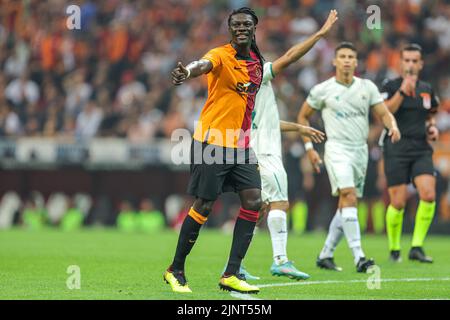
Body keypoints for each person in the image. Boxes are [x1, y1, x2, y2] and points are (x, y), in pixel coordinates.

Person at [164, 7, 265, 295]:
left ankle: (231, 273)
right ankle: (175, 269)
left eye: (246, 24)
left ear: (254, 27)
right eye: (236, 25)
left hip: (241, 144)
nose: (241, 28)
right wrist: (187, 72)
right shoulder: (220, 54)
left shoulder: (257, 62)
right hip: (213, 141)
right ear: (230, 29)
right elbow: (203, 65)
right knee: (205, 205)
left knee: (254, 201)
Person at [235, 10, 338, 281]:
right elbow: (291, 56)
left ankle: (233, 266)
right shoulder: (257, 75)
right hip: (265, 153)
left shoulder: (243, 88)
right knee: (280, 203)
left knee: (256, 210)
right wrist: (319, 34)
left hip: (249, 152)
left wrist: (298, 127)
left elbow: (265, 122)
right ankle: (280, 260)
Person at [297, 42, 401, 273]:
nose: (346, 60)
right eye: (342, 56)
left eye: (350, 57)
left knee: (346, 203)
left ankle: (325, 254)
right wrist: (309, 148)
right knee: (349, 196)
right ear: (334, 61)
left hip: (360, 151)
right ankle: (359, 256)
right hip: (336, 149)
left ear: (356, 62)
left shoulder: (367, 87)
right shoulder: (322, 89)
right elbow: (303, 116)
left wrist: (392, 126)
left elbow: (383, 113)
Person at [380, 43, 440, 263]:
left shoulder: (426, 88)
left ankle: (417, 246)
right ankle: (394, 249)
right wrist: (402, 92)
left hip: (421, 147)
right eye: (407, 60)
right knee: (398, 202)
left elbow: (431, 112)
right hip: (396, 146)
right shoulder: (390, 85)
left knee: (429, 194)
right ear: (400, 62)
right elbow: (384, 112)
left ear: (421, 64)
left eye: (415, 61)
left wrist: (432, 126)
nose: (411, 65)